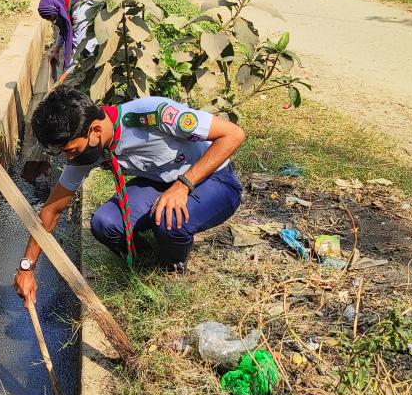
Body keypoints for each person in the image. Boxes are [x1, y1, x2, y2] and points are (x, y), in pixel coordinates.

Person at [14, 87, 246, 305]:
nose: (69, 160)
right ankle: (148, 262)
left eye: (71, 151)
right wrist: (27, 267)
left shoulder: (156, 114)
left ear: (95, 130)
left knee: (169, 221)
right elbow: (52, 209)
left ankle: (171, 272)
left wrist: (183, 185)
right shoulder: (90, 148)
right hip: (159, 184)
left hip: (214, 179)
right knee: (105, 223)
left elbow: (233, 134)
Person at [37, 0, 99, 77]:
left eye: (54, 18)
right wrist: (56, 49)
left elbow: (79, 49)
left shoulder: (79, 13)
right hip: (85, 41)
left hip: (93, 43)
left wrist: (64, 77)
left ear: (58, 9)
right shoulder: (65, 3)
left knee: (89, 64)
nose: (54, 22)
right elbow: (64, 27)